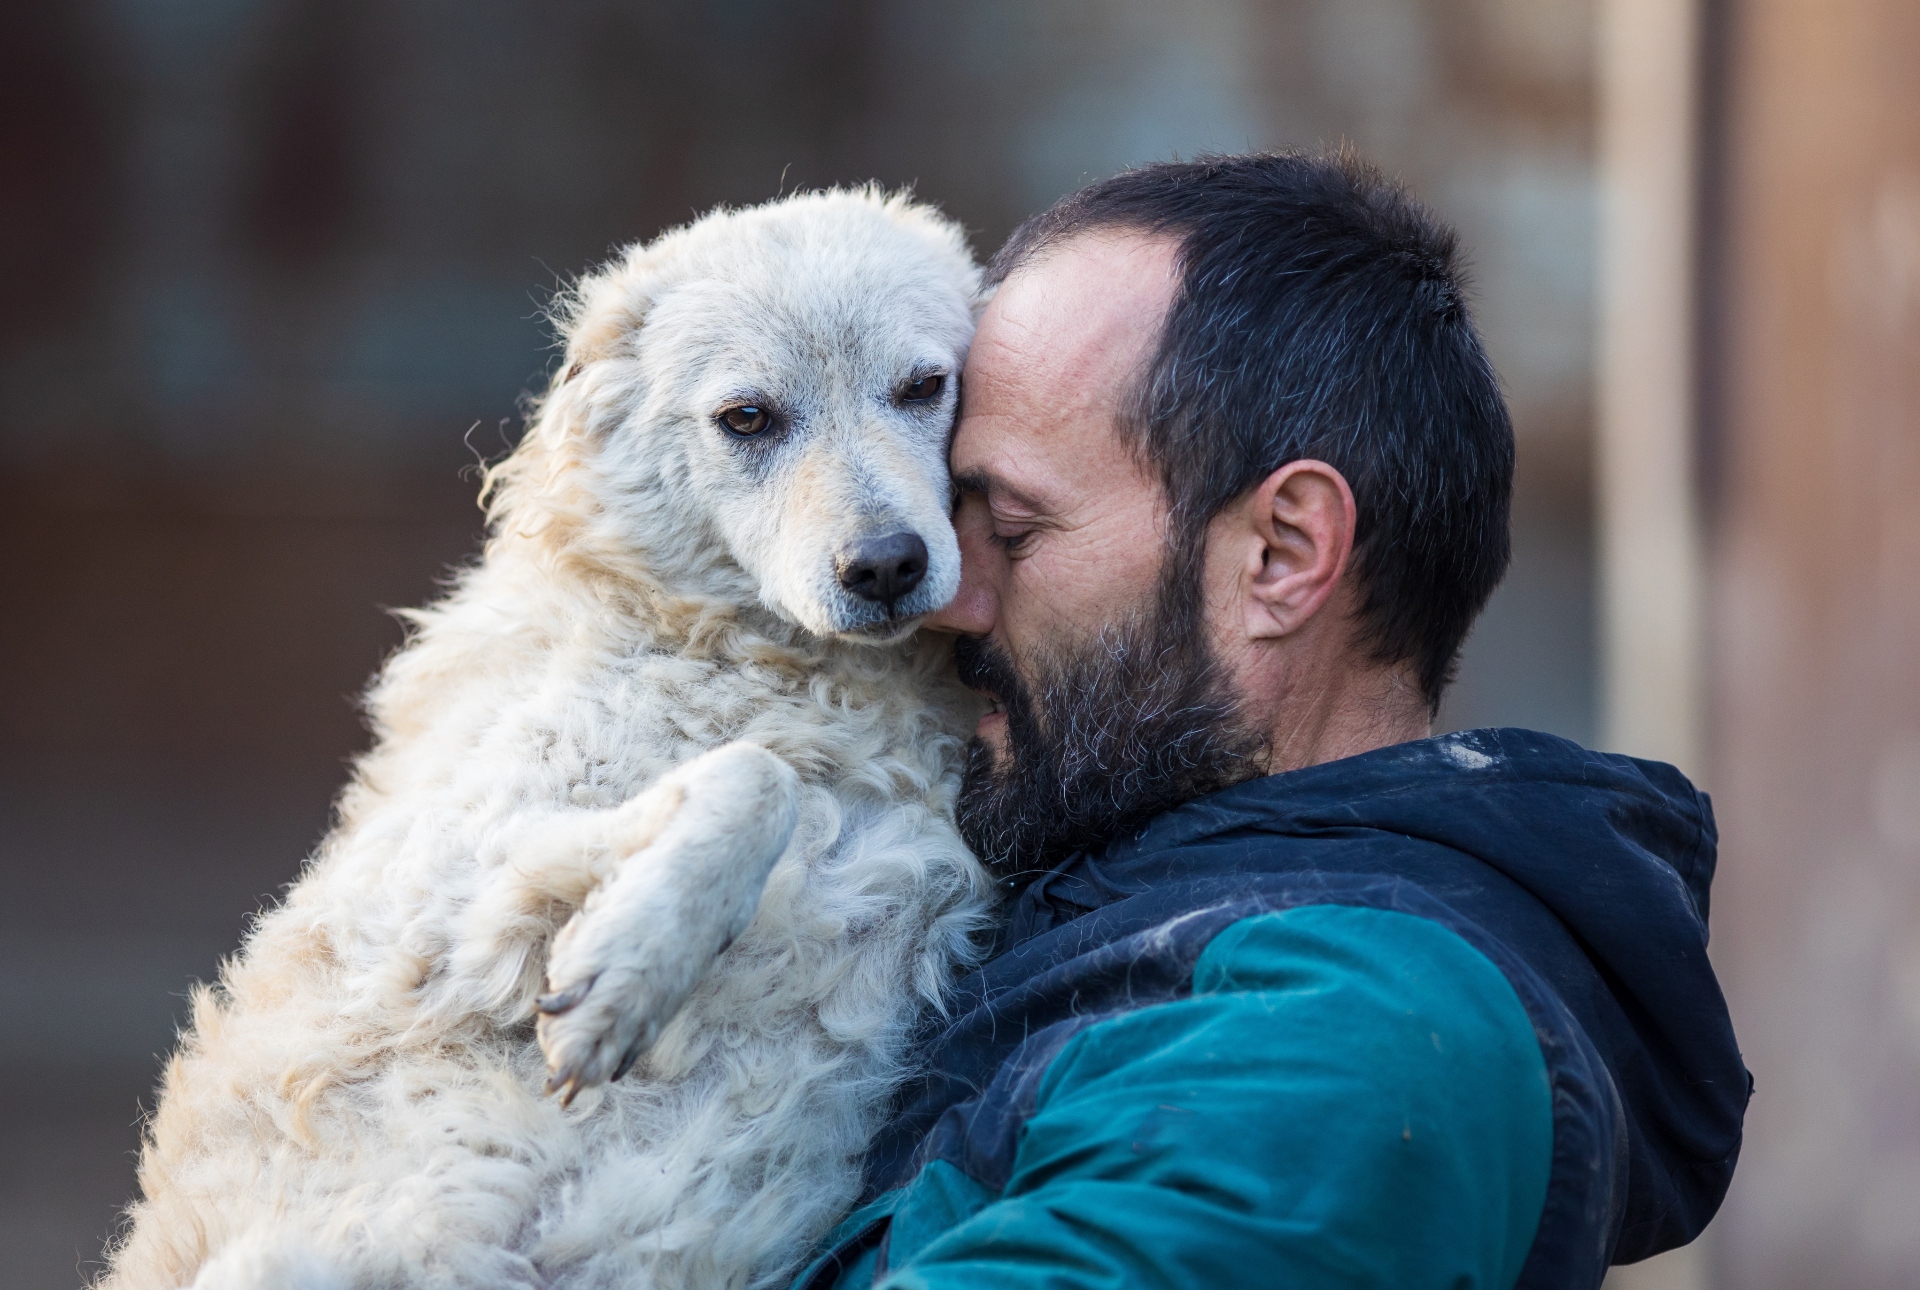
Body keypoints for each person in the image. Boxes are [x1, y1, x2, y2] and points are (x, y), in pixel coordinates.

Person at [792, 151, 1749, 1290]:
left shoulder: (1350, 1030)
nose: (950, 598)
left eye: (1012, 530)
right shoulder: (1156, 930)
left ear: (1283, 556)